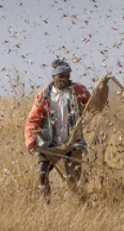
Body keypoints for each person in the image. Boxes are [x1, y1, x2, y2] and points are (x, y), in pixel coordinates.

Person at [24, 59, 92, 202]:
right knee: (42, 175)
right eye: (60, 77)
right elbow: (33, 119)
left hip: (72, 144)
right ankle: (46, 205)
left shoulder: (78, 90)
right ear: (53, 78)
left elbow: (93, 104)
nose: (64, 80)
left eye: (67, 76)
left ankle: (83, 205)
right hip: (49, 145)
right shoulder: (43, 95)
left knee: (74, 180)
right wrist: (31, 140)